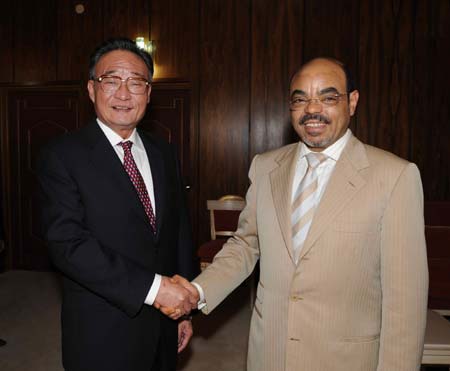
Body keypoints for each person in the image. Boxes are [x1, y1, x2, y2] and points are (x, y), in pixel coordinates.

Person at [173, 57, 429, 370]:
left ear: (352, 102)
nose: (311, 109)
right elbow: (245, 245)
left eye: (328, 97)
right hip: (269, 354)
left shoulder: (395, 177)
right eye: (300, 99)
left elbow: (406, 300)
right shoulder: (265, 166)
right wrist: (196, 292)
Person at [36, 37, 197, 371]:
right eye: (111, 81)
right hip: (102, 332)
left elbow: (178, 231)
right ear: (92, 90)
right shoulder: (61, 156)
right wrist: (155, 290)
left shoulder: (163, 152)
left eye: (136, 83)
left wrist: (184, 310)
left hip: (164, 322)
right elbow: (68, 244)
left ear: (149, 94)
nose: (123, 94)